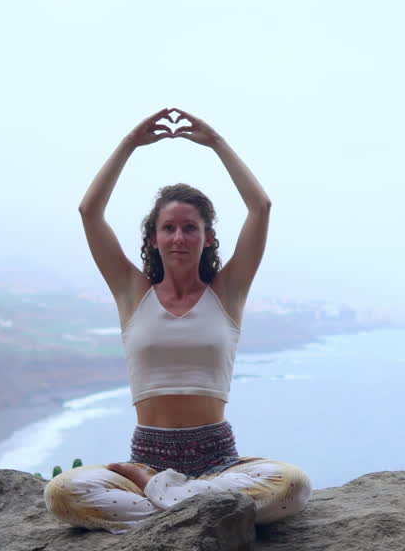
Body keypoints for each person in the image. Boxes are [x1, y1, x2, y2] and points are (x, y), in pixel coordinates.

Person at [45, 108, 312, 534]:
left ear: (207, 237)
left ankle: (160, 496)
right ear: (154, 237)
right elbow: (89, 212)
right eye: (169, 228)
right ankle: (200, 509)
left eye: (191, 228)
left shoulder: (227, 293)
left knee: (293, 485)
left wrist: (217, 143)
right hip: (144, 457)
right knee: (62, 493)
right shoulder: (132, 293)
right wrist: (129, 143)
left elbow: (260, 207)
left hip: (220, 460)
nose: (179, 237)